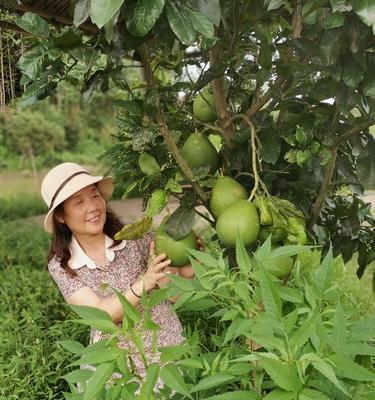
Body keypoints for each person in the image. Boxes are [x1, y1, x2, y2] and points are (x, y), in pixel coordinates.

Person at [41, 162, 197, 392]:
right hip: (114, 364)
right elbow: (101, 315)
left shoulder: (137, 238)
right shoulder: (62, 265)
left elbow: (174, 294)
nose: (93, 206)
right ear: (62, 217)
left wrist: (187, 271)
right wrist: (144, 283)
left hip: (164, 352)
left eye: (95, 196)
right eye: (79, 202)